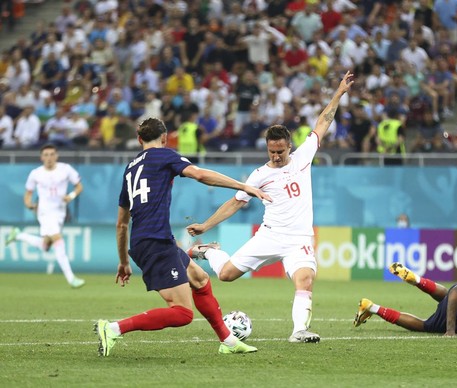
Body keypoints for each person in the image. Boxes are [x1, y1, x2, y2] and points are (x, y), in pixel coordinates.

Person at [185, 71, 355, 344]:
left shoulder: (304, 156)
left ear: (289, 146)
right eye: (271, 152)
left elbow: (323, 121)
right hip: (270, 235)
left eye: (280, 151)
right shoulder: (259, 175)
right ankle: (208, 251)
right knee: (226, 275)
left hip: (299, 239)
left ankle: (299, 331)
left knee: (306, 279)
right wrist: (206, 226)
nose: (276, 157)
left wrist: (338, 93)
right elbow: (235, 203)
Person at [94, 117, 271, 357]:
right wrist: (244, 186)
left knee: (199, 280)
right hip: (155, 241)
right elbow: (198, 174)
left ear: (139, 140)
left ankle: (228, 341)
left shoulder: (130, 169)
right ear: (165, 138)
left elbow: (121, 224)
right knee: (182, 313)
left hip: (149, 240)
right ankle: (113, 328)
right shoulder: (164, 155)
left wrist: (124, 261)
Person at [354, 239, 457, 337]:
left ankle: (417, 280)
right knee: (426, 326)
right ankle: (372, 307)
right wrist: (450, 330)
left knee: (447, 294)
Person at [5, 144, 85, 288]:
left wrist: (71, 196)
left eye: (52, 154)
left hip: (60, 211)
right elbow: (28, 194)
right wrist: (29, 204)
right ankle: (71, 278)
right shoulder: (36, 173)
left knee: (45, 245)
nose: (49, 158)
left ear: (57, 155)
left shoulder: (65, 169)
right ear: (42, 157)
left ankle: (18, 235)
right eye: (46, 155)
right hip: (44, 211)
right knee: (57, 239)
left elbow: (79, 186)